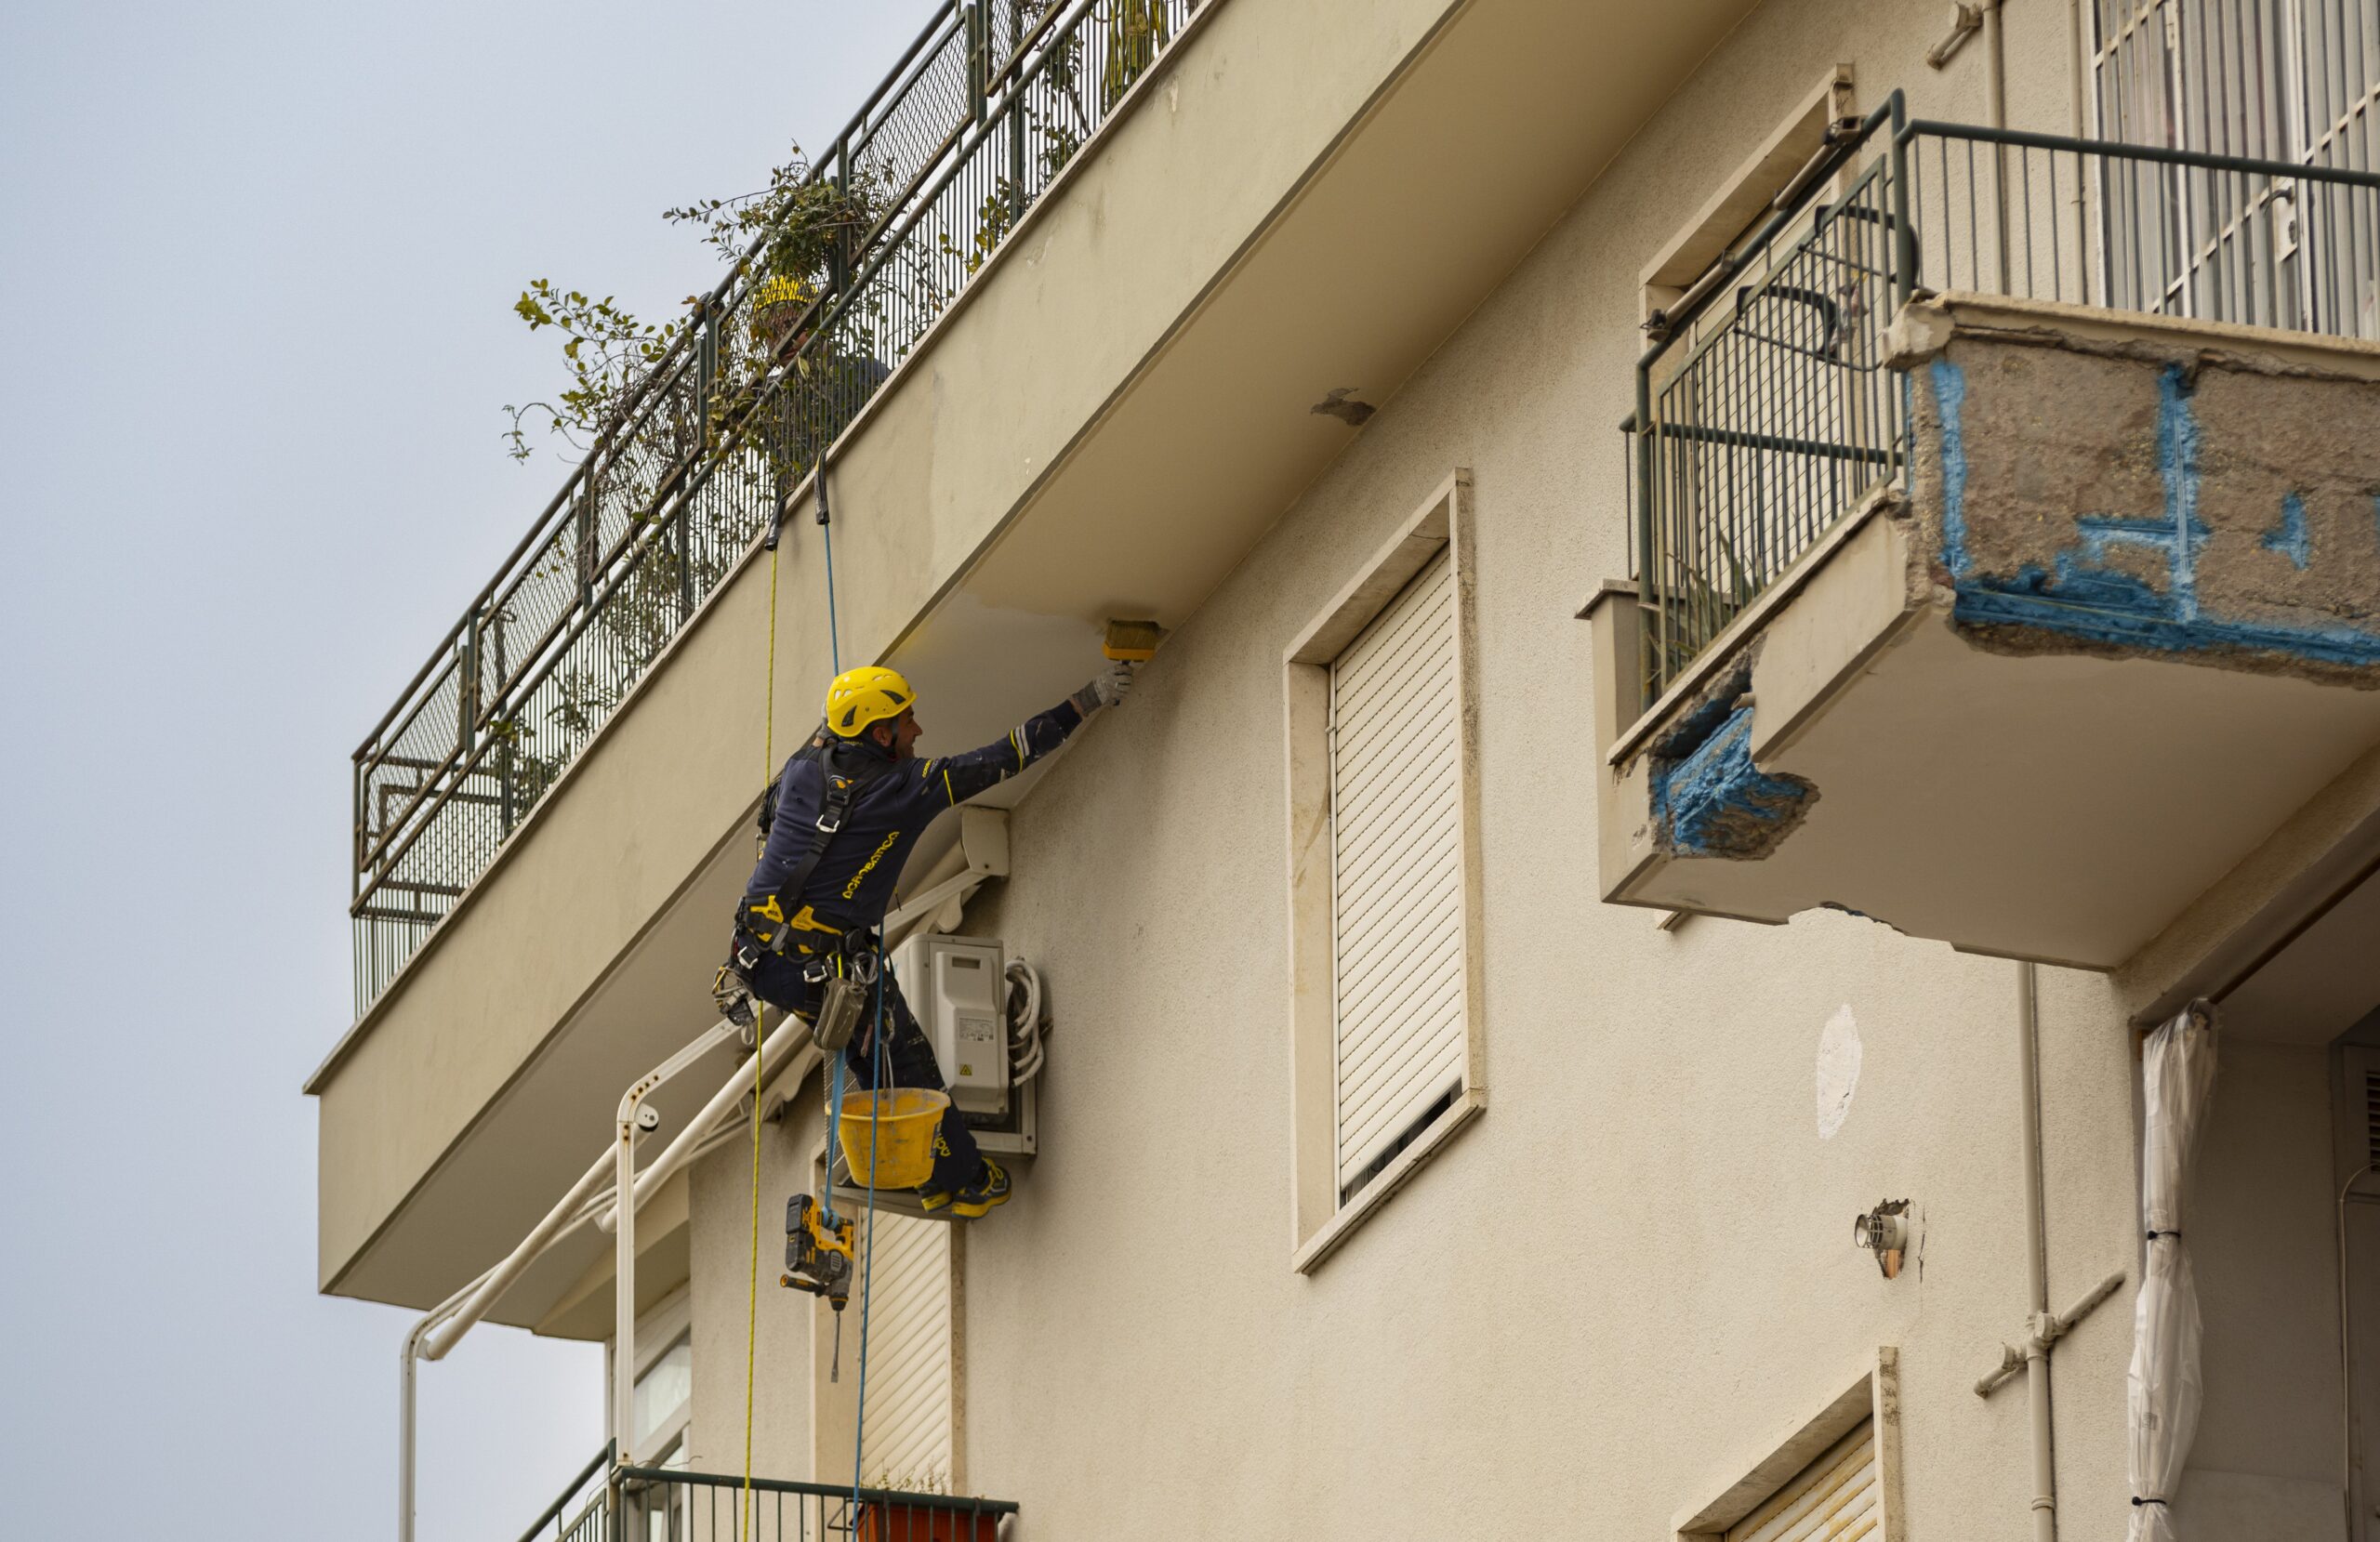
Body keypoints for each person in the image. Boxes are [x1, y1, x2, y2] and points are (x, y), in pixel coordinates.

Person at [717, 659, 1134, 1217]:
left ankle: (933, 1173)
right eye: (907, 721)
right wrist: (1087, 699)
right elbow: (1004, 756)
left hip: (761, 953)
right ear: (880, 735)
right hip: (819, 965)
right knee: (903, 1062)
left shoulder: (806, 762)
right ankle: (960, 1180)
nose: (918, 731)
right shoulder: (904, 787)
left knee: (877, 1055)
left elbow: (771, 816)